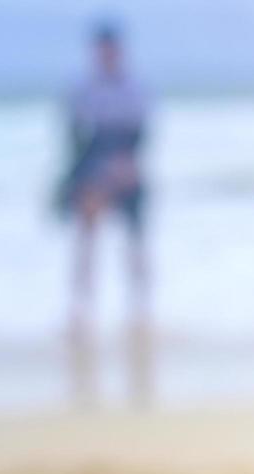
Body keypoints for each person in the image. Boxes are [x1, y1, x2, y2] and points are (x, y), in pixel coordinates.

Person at [58, 21, 152, 409]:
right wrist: (80, 178)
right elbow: (75, 138)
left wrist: (124, 167)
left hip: (126, 166)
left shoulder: (135, 88)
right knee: (87, 243)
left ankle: (140, 312)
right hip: (94, 165)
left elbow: (141, 134)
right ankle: (81, 312)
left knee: (135, 243)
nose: (107, 56)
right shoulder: (83, 89)